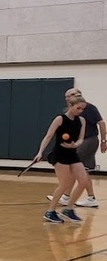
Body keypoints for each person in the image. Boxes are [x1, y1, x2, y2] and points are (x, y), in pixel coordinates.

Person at [37, 93, 90, 224]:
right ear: (70, 105)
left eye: (83, 109)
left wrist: (75, 145)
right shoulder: (60, 119)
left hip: (73, 154)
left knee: (83, 181)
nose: (80, 111)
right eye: (78, 108)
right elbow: (48, 136)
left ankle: (68, 209)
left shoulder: (81, 121)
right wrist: (40, 152)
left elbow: (81, 139)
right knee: (64, 184)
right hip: (60, 154)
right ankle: (50, 212)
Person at [47, 87, 104, 208]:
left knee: (76, 170)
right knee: (83, 170)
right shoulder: (68, 114)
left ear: (78, 95)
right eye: (66, 97)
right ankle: (89, 197)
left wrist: (104, 140)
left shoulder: (88, 108)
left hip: (88, 140)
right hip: (81, 141)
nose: (68, 99)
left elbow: (101, 123)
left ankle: (66, 196)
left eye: (71, 95)